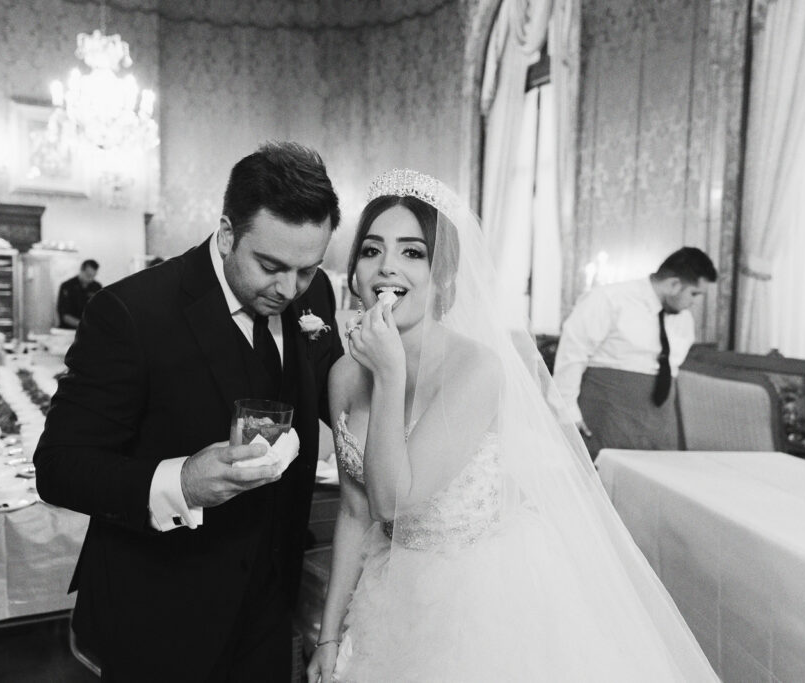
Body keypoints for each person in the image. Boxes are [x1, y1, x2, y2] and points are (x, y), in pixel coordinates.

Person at [307, 170, 718, 682]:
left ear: (445, 275)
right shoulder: (345, 373)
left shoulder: (475, 369)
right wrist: (327, 635)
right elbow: (354, 510)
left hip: (480, 593)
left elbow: (392, 499)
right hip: (389, 583)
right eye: (371, 250)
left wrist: (389, 374)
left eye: (413, 252)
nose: (387, 266)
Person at [34, 142, 344, 682]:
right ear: (227, 233)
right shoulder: (130, 312)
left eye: (307, 268)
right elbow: (59, 465)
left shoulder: (312, 292)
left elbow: (331, 381)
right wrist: (180, 483)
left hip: (270, 602)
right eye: (270, 266)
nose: (289, 289)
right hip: (159, 610)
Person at [553, 247, 718, 458]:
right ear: (673, 284)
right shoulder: (608, 299)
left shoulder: (683, 318)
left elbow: (672, 368)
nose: (694, 302)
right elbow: (572, 355)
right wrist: (566, 412)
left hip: (659, 422)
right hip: (608, 414)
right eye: (694, 293)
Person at [56, 259, 102, 329]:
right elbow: (64, 315)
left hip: (89, 331)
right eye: (88, 275)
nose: (90, 279)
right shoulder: (67, 286)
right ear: (81, 270)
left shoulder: (97, 287)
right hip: (68, 329)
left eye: (93, 276)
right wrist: (84, 326)